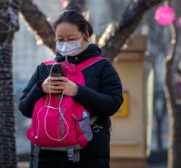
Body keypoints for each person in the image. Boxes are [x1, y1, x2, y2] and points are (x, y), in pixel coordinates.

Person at [19, 10, 123, 168]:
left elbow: (113, 103)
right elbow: (24, 108)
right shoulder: (44, 69)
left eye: (71, 39)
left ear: (85, 36)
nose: (65, 43)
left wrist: (77, 91)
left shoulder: (102, 67)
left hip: (88, 158)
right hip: (45, 157)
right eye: (60, 39)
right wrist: (41, 88)